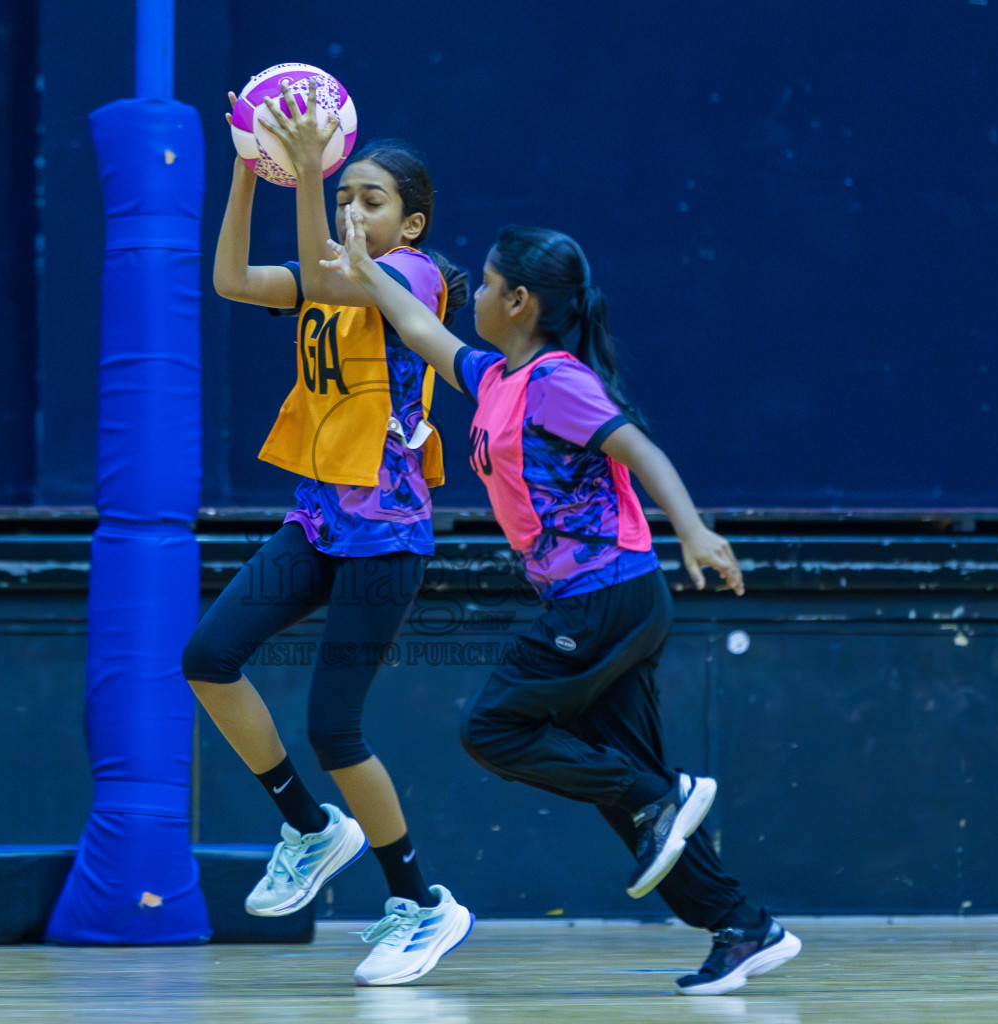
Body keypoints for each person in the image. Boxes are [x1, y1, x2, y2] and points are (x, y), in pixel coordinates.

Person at [322, 208, 802, 996]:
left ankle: (664, 797)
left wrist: (695, 531)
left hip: (606, 597)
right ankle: (742, 925)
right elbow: (413, 322)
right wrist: (359, 264)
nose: (471, 291)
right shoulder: (496, 377)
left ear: (519, 303)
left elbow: (637, 444)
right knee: (626, 789)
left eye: (488, 281)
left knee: (496, 728)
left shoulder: (556, 382)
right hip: (604, 599)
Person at [181, 81, 472, 987]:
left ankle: (422, 905)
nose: (353, 207)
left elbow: (335, 266)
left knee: (334, 726)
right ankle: (310, 828)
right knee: (207, 657)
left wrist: (306, 180)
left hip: (386, 533)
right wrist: (245, 171)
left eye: (370, 198)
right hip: (318, 520)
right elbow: (231, 278)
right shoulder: (333, 270)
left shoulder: (413, 278)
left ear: (411, 225)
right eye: (348, 193)